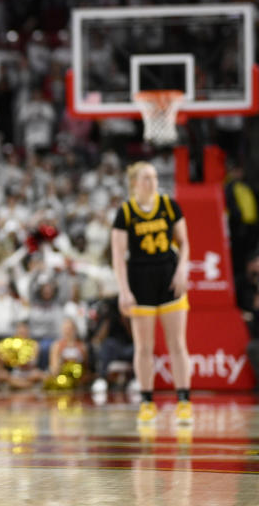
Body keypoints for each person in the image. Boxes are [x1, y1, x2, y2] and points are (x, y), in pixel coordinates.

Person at [111, 161, 192, 427]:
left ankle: (184, 402)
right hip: (140, 280)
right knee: (144, 346)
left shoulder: (169, 206)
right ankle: (146, 403)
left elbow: (185, 243)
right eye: (146, 177)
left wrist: (182, 270)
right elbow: (118, 257)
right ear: (135, 182)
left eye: (155, 177)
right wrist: (123, 291)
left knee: (177, 344)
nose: (152, 182)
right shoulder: (125, 212)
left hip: (169, 278)